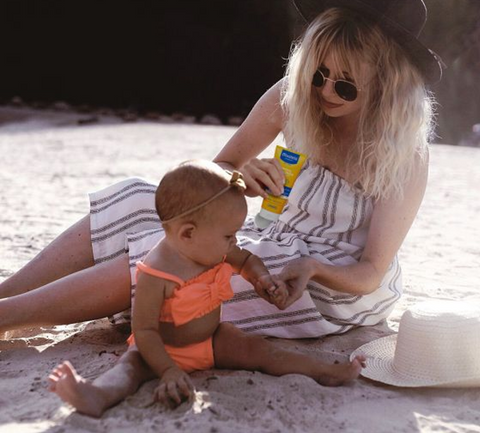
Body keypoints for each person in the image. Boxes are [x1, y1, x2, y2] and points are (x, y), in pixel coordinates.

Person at [0, 0, 443, 340]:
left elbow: (370, 270)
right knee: (139, 198)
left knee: (186, 259)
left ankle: (9, 317)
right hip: (274, 238)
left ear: (387, 85)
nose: (325, 92)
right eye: (318, 75)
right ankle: (8, 295)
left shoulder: (404, 153)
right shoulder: (291, 98)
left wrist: (310, 267)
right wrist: (238, 179)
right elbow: (219, 168)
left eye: (345, 86)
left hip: (334, 282)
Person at [47, 160, 365, 417]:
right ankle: (95, 395)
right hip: (160, 349)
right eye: (229, 235)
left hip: (211, 340)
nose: (235, 241)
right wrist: (168, 370)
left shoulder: (211, 246)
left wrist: (264, 280)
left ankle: (324, 370)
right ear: (187, 233)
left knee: (262, 351)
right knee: (127, 370)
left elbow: (246, 260)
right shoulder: (156, 272)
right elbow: (144, 332)